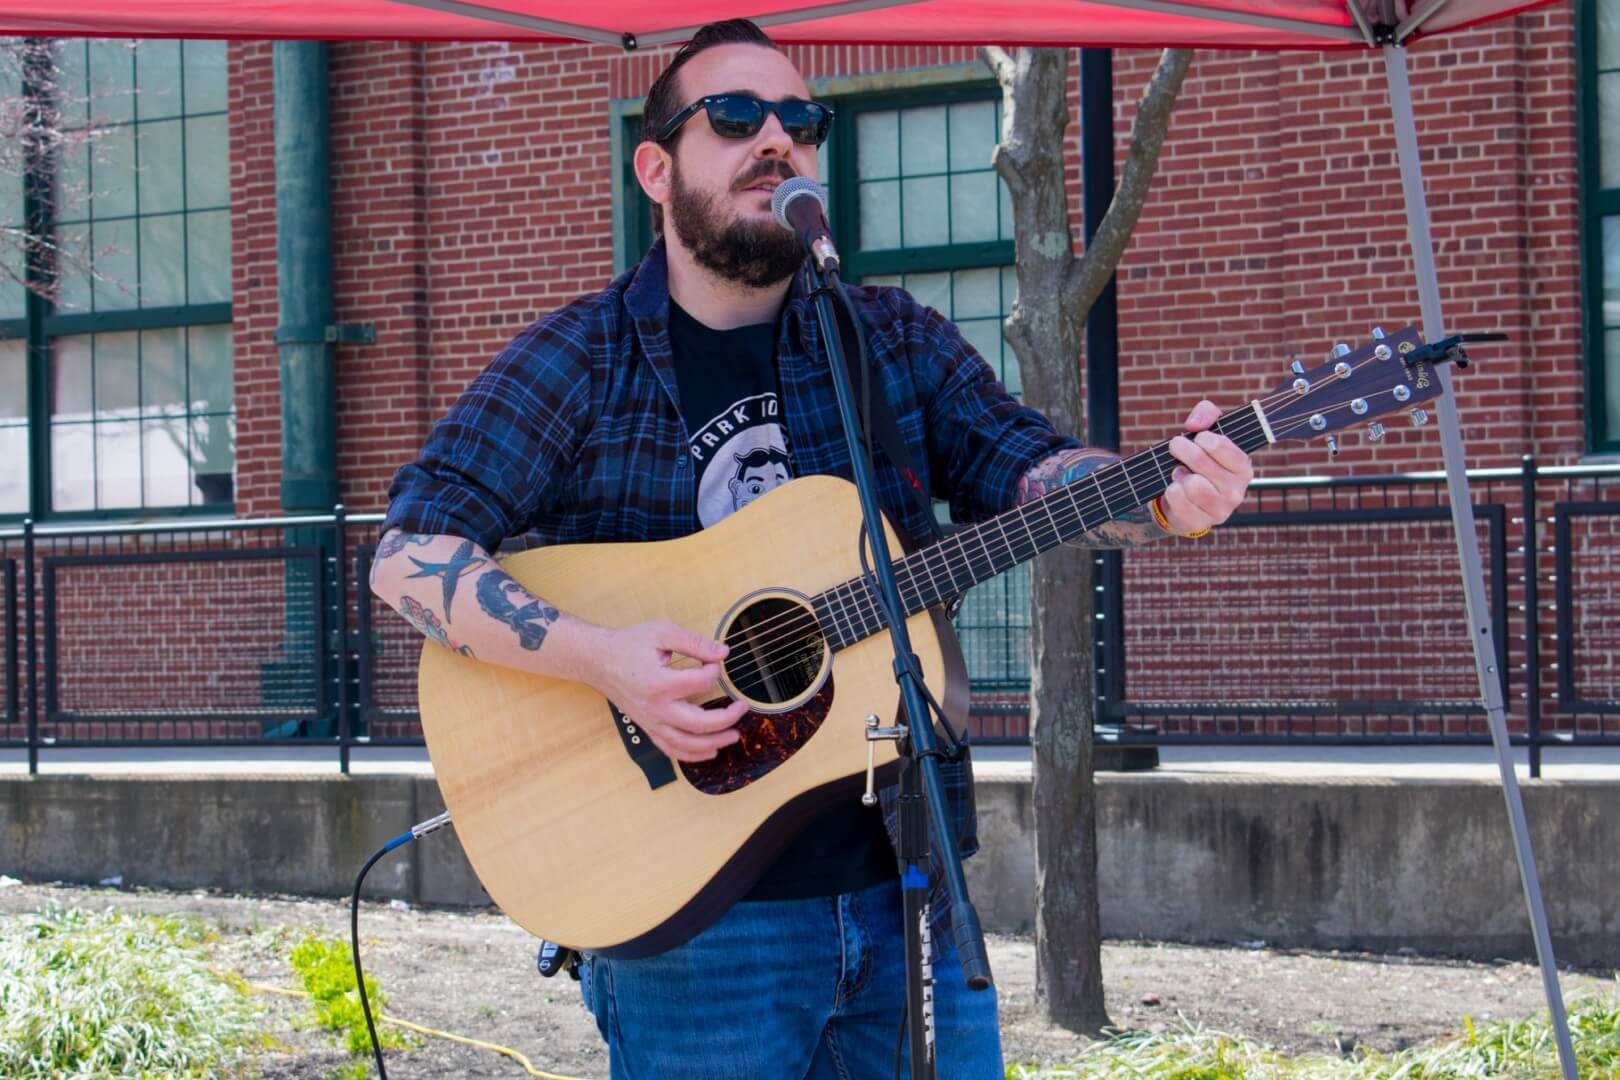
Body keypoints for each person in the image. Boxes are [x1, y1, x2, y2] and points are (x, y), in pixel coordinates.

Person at [371, 18, 1253, 1078]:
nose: (777, 139)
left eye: (802, 120)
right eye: (736, 117)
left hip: (910, 887)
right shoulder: (582, 358)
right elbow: (409, 552)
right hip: (695, 924)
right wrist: (599, 658)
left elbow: (1031, 470)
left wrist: (1161, 496)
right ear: (656, 168)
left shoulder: (887, 337)